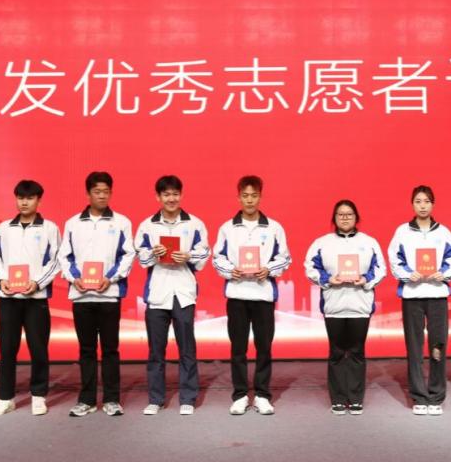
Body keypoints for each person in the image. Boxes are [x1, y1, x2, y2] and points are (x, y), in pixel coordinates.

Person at [212, 175, 291, 416]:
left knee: (264, 347)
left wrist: (268, 269)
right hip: (237, 295)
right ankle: (239, 395)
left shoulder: (274, 227)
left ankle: (262, 395)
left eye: (254, 195)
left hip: (263, 295)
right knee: (238, 348)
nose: (249, 200)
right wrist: (230, 270)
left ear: (260, 197)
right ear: (238, 197)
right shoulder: (227, 228)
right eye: (245, 195)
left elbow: (285, 258)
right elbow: (217, 258)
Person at [58, 171, 135, 417]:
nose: (102, 196)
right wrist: (75, 278)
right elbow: (64, 256)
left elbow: (128, 255)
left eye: (106, 192)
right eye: (97, 192)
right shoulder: (73, 223)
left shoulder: (121, 222)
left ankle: (112, 399)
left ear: (111, 193)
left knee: (111, 349)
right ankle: (87, 400)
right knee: (86, 350)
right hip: (81, 296)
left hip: (109, 294)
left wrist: (110, 278)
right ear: (88, 194)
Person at [134, 175, 210, 416]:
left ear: (181, 195)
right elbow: (140, 257)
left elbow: (204, 254)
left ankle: (188, 397)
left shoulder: (194, 224)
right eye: (166, 194)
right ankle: (155, 399)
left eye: (175, 194)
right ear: (158, 197)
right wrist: (153, 254)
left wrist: (188, 256)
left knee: (187, 348)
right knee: (156, 351)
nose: (171, 198)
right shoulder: (147, 226)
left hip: (184, 293)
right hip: (158, 293)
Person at [304, 200, 387, 415]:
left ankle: (356, 398)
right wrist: (328, 279)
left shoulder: (369, 242)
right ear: (334, 218)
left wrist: (366, 279)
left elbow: (380, 269)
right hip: (334, 306)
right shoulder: (322, 243)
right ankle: (339, 398)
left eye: (349, 214)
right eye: (340, 214)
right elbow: (310, 267)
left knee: (357, 352)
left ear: (356, 217)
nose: (345, 218)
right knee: (337, 352)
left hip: (360, 305)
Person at [0, 180, 61, 417]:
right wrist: (1, 280)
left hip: (36, 298)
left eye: (29, 198)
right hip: (9, 298)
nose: (24, 202)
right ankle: (5, 398)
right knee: (7, 349)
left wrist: (37, 282)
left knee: (38, 348)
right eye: (20, 198)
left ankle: (38, 396)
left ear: (39, 200)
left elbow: (56, 260)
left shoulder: (49, 228)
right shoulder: (4, 228)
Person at [388, 185, 451, 416]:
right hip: (412, 296)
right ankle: (419, 396)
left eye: (427, 201)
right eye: (418, 201)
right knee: (415, 347)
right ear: (412, 204)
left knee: (438, 346)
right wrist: (408, 274)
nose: (422, 206)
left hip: (437, 295)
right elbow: (395, 259)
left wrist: (443, 273)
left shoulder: (444, 233)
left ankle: (436, 396)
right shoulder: (402, 232)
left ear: (433, 204)